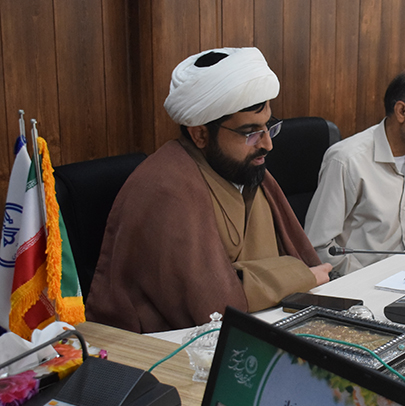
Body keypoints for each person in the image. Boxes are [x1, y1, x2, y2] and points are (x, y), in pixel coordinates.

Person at [86, 48, 331, 333]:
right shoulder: (167, 188)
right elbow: (213, 306)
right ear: (200, 134)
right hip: (167, 347)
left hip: (262, 326)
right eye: (251, 133)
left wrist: (268, 280)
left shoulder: (248, 170)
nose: (267, 144)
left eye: (269, 127)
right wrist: (297, 276)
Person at [305, 66, 405, 275]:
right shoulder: (346, 161)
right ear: (402, 111)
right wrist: (370, 279)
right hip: (361, 281)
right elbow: (319, 247)